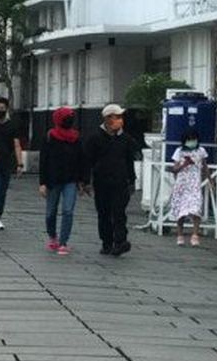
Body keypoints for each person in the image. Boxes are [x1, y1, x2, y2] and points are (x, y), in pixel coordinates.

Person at [84, 103, 143, 257]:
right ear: (108, 119)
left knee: (119, 212)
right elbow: (87, 161)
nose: (120, 120)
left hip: (121, 181)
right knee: (103, 213)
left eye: (121, 117)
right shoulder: (95, 137)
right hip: (102, 181)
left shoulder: (125, 138)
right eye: (117, 117)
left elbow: (131, 158)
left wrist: (132, 180)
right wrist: (85, 181)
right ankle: (107, 242)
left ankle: (120, 242)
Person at [38, 106, 86, 256]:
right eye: (67, 117)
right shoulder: (50, 136)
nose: (70, 120)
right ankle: (53, 236)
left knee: (68, 210)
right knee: (50, 212)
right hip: (53, 179)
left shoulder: (76, 137)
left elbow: (81, 159)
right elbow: (43, 160)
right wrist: (42, 183)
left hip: (70, 180)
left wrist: (82, 180)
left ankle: (64, 242)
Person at [0, 98, 24, 231]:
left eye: (2, 108)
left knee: (2, 190)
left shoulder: (12, 125)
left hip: (7, 162)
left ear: (7, 109)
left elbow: (16, 145)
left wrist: (20, 164)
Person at [170, 129, 208, 247]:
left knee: (196, 208)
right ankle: (180, 234)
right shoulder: (179, 151)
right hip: (182, 184)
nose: (192, 141)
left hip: (194, 184)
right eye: (189, 139)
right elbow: (174, 169)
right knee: (181, 211)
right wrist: (184, 164)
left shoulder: (201, 151)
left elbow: (205, 166)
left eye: (194, 139)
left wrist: (210, 179)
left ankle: (195, 234)